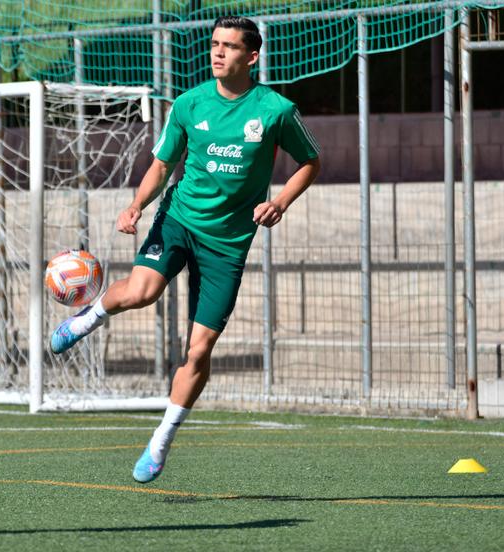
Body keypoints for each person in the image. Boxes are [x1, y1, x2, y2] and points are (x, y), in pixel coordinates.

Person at [50, 15, 320, 483]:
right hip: (178, 219)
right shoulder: (189, 103)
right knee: (141, 292)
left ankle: (162, 439)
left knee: (199, 351)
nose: (217, 53)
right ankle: (87, 317)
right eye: (214, 44)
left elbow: (310, 162)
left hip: (228, 244)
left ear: (251, 56)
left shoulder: (275, 110)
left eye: (229, 47)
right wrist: (136, 205)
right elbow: (162, 164)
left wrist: (279, 202)